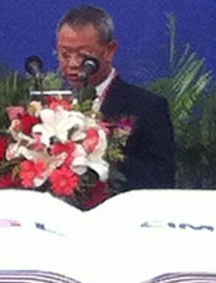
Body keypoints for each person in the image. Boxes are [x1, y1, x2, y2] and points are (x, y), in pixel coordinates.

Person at [55, 5, 175, 191]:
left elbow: (161, 178)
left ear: (109, 50)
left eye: (83, 55)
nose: (72, 63)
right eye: (64, 54)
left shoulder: (147, 107)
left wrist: (98, 155)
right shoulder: (52, 107)